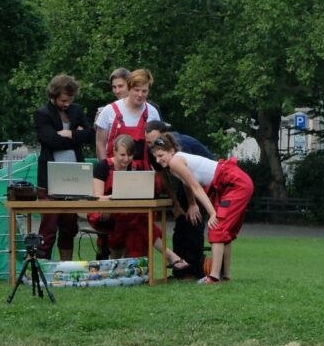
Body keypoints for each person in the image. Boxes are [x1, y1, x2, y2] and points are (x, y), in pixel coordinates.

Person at [151, 133, 254, 284]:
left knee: (217, 227)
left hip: (233, 183)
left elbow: (196, 187)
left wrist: (212, 213)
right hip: (229, 184)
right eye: (156, 157)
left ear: (171, 151)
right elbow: (188, 186)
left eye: (161, 155)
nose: (158, 160)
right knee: (226, 231)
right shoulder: (175, 163)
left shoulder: (175, 162)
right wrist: (192, 204)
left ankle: (213, 277)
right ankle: (225, 276)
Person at [89, 134, 188, 272]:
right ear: (114, 151)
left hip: (128, 214)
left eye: (130, 155)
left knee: (135, 219)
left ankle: (120, 266)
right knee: (139, 218)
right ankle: (170, 255)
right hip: (103, 213)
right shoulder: (102, 167)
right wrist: (113, 199)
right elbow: (97, 198)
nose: (126, 159)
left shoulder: (135, 168)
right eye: (122, 155)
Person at [35, 73, 95, 260]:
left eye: (70, 100)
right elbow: (49, 140)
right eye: (63, 100)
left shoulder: (76, 111)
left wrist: (68, 134)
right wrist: (75, 136)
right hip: (50, 178)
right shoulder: (42, 113)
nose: (67, 104)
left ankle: (65, 265)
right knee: (49, 224)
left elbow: (90, 134)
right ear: (53, 96)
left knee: (69, 224)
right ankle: (43, 264)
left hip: (74, 175)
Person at [145, 120, 214, 279]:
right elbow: (164, 176)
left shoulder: (179, 145)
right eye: (148, 142)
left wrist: (192, 204)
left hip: (203, 183)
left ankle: (195, 269)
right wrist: (175, 204)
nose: (151, 146)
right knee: (181, 224)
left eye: (154, 141)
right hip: (186, 185)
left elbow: (189, 180)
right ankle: (180, 269)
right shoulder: (154, 148)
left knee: (194, 222)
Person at [95, 68, 160, 167]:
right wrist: (105, 169)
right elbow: (100, 144)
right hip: (114, 170)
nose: (140, 95)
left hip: (143, 172)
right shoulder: (109, 111)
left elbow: (157, 146)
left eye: (144, 91)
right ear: (129, 88)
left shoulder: (152, 112)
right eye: (136, 90)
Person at [93, 67, 131, 136]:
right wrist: (98, 124)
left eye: (120, 86)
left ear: (130, 85)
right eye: (114, 87)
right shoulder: (108, 110)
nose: (117, 91)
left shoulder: (147, 109)